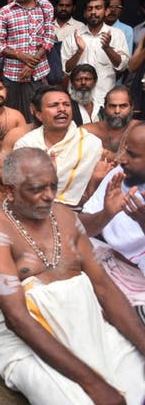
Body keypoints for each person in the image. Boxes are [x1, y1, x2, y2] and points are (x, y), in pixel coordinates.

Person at [0, 147, 145, 405]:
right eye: (36, 189)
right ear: (10, 191)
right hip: (28, 343)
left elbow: (104, 288)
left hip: (86, 325)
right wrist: (93, 383)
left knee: (137, 385)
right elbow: (17, 319)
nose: (49, 196)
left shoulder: (65, 218)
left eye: (53, 186)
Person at [80, 122, 145, 322]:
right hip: (105, 258)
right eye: (125, 149)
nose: (121, 158)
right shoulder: (120, 174)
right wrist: (106, 214)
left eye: (132, 155)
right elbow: (81, 228)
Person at [13, 86, 103, 208]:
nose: (62, 109)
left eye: (66, 104)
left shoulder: (90, 143)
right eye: (54, 105)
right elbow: (18, 187)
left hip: (79, 211)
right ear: (39, 114)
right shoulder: (26, 144)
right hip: (34, 210)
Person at [0, 0, 56, 123]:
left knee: (40, 117)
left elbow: (49, 38)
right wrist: (21, 56)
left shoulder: (45, 6)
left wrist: (31, 63)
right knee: (13, 118)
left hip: (38, 74)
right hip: (13, 76)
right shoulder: (5, 12)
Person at [61, 0, 129, 107]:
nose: (93, 12)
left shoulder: (117, 34)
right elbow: (66, 70)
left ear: (106, 11)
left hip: (105, 99)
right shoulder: (72, 36)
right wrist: (79, 52)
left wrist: (107, 49)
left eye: (98, 8)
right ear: (84, 13)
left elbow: (122, 66)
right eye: (89, 9)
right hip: (77, 100)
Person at [83, 86, 140, 162]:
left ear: (131, 107)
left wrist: (108, 155)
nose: (117, 111)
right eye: (112, 106)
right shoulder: (87, 131)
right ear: (105, 107)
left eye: (123, 106)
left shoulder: (141, 131)